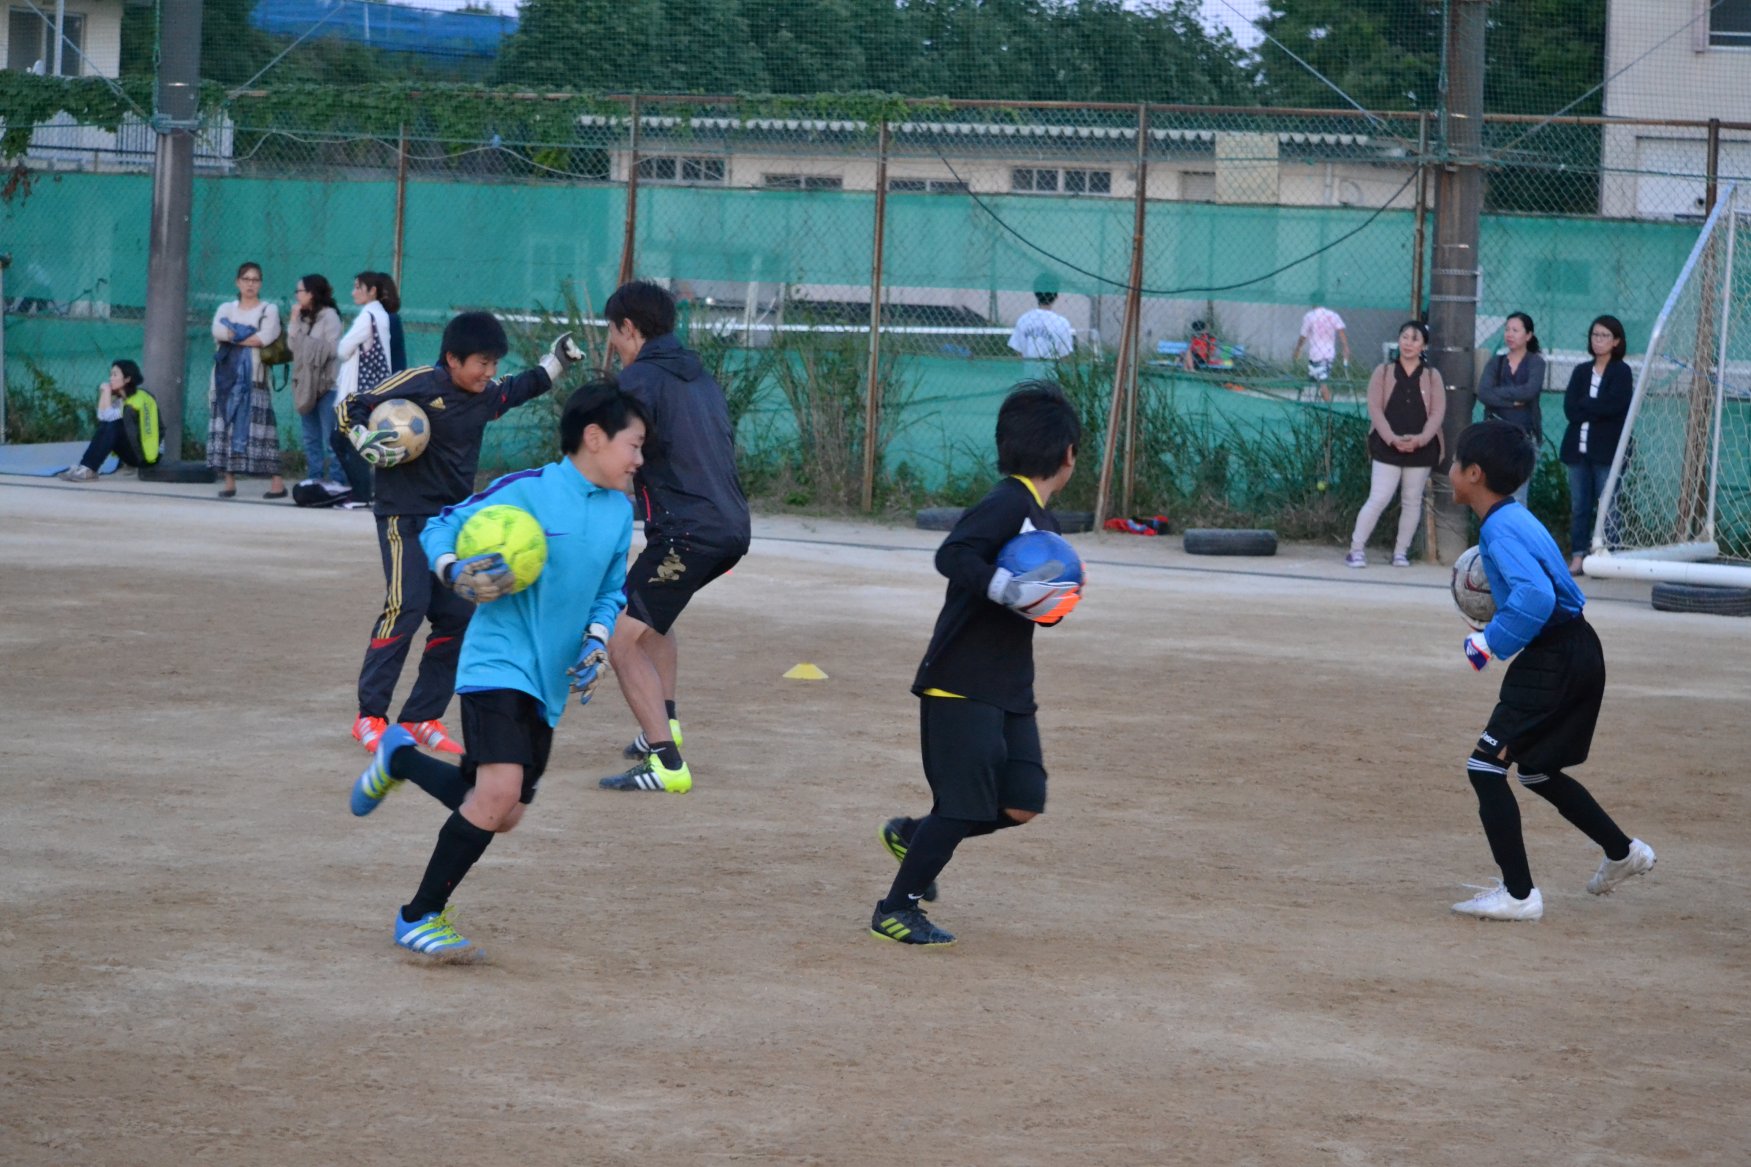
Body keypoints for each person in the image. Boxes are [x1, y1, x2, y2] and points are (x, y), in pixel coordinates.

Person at [348, 381, 644, 961]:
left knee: (504, 812)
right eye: (633, 445)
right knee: (497, 793)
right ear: (593, 438)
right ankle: (418, 915)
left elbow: (611, 591)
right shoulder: (527, 491)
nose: (639, 459)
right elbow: (439, 525)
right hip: (497, 663)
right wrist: (454, 567)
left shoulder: (618, 512)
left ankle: (400, 757)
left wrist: (596, 640)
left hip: (550, 677)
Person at [871, 382, 1083, 948]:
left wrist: (1053, 599)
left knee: (1021, 802)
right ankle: (896, 909)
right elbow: (954, 554)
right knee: (963, 805)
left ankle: (915, 836)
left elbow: (1044, 613)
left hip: (1011, 687)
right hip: (960, 681)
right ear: (1068, 455)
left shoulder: (1047, 525)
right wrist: (1006, 588)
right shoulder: (1008, 503)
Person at [341, 310, 582, 757]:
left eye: (494, 364)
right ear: (452, 358)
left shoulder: (485, 395)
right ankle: (369, 716)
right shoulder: (417, 382)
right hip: (402, 517)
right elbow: (354, 404)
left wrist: (558, 361)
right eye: (481, 363)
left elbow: (522, 386)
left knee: (457, 618)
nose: (489, 374)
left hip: (450, 522)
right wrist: (361, 435)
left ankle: (419, 719)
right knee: (405, 607)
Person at [1447, 419, 1655, 922]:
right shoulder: (1515, 517)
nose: (1449, 471)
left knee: (1484, 767)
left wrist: (1487, 643)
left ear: (1474, 474)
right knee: (1537, 770)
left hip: (1554, 658)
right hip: (1580, 650)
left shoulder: (1498, 528)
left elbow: (1536, 596)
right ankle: (1623, 852)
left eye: (1455, 464)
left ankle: (1518, 895)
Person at [596, 281, 752, 795]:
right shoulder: (696, 372)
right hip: (726, 527)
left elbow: (617, 457)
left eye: (613, 333)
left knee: (621, 640)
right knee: (652, 619)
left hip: (690, 532)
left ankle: (666, 762)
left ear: (630, 329)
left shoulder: (641, 379)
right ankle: (663, 725)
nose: (612, 344)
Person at [1346, 320, 1445, 568]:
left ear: (1423, 345)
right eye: (1404, 337)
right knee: (1379, 497)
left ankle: (1401, 552)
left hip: (1421, 449)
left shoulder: (1432, 375)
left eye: (1415, 339)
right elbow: (1375, 408)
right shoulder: (1384, 371)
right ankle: (1356, 549)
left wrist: (1420, 439)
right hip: (1387, 446)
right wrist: (1392, 438)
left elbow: (1437, 413)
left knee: (1412, 500)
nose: (1408, 343)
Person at [1560, 315, 1634, 576]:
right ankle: (1579, 555)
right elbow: (1570, 408)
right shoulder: (1581, 371)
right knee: (1579, 505)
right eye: (1595, 335)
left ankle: (1606, 554)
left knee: (1608, 504)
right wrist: (1595, 409)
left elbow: (1615, 407)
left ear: (1616, 341)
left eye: (1604, 336)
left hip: (1607, 451)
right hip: (1577, 450)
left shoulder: (1621, 372)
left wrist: (1588, 407)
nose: (1598, 340)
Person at [207, 261, 287, 499]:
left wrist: (235, 336)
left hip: (255, 379)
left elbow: (265, 337)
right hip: (224, 379)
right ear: (237, 282)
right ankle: (229, 482)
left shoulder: (268, 309)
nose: (250, 284)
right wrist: (246, 334)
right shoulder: (226, 307)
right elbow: (218, 331)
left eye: (255, 280)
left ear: (260, 283)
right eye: (246, 279)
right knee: (225, 427)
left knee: (262, 431)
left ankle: (277, 483)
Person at [330, 270, 399, 507]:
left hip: (356, 393)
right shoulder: (381, 315)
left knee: (345, 441)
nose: (354, 292)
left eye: (358, 287)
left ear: (372, 291)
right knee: (349, 440)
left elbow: (343, 349)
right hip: (371, 391)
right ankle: (366, 490)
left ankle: (361, 494)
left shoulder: (368, 315)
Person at [1475, 311, 1547, 506]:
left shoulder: (1536, 363)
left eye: (1515, 330)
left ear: (1528, 335)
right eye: (1507, 329)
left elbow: (1529, 391)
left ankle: (1514, 536)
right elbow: (1484, 393)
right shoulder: (1496, 362)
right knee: (1493, 493)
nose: (1509, 334)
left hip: (1524, 437)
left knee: (1518, 496)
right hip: (1496, 437)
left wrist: (1499, 394)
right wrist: (1511, 402)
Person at [59, 359, 159, 481]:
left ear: (127, 379)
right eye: (110, 374)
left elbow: (109, 418)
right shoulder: (122, 400)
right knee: (108, 424)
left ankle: (89, 469)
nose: (110, 378)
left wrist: (106, 391)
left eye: (115, 375)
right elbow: (102, 417)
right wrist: (105, 394)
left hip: (146, 456)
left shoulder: (138, 400)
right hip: (133, 453)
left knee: (114, 424)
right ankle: (86, 467)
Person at [288, 274, 344, 488]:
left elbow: (333, 349)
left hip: (326, 385)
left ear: (311, 293)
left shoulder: (329, 316)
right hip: (306, 385)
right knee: (310, 437)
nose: (297, 295)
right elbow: (293, 347)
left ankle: (338, 480)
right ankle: (314, 477)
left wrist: (307, 345)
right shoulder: (302, 317)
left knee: (331, 438)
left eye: (299, 291)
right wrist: (294, 321)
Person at [1007, 285, 1075, 380]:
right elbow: (1065, 354)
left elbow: (1018, 349)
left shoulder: (1024, 319)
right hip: (1052, 378)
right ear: (1056, 296)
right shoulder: (1062, 323)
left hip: (1029, 377)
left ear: (1036, 294)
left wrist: (1028, 363)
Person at [1292, 303, 1351, 401]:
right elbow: (1341, 332)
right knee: (1319, 381)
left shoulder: (1309, 316)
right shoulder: (1332, 315)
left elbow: (1303, 336)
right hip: (1327, 354)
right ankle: (1322, 402)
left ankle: (1328, 408)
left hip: (1315, 353)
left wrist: (1298, 349)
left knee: (1322, 383)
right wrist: (1345, 347)